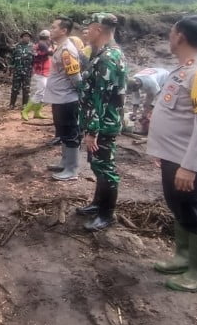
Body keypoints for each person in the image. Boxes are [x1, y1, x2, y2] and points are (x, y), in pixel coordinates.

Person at [147, 14, 197, 292]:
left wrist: (190, 167)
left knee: (195, 212)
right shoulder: (184, 69)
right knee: (178, 207)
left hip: (192, 162)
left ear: (180, 36)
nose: (170, 37)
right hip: (175, 156)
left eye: (171, 33)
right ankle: (183, 257)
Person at [76, 13, 127, 231]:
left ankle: (107, 214)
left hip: (102, 125)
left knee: (106, 168)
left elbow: (101, 97)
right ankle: (98, 203)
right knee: (98, 165)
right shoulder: (107, 53)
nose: (85, 33)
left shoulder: (108, 58)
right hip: (100, 124)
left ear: (98, 29)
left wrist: (92, 131)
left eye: (88, 29)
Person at [44, 17, 83, 180]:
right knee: (63, 133)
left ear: (63, 31)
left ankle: (72, 170)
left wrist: (80, 95)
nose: (50, 30)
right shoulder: (60, 48)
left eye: (54, 27)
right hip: (59, 98)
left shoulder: (67, 51)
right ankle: (64, 163)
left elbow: (76, 78)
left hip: (67, 99)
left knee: (71, 134)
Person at [127, 67, 170, 135]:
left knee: (154, 107)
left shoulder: (151, 82)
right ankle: (145, 128)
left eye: (136, 89)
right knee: (146, 106)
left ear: (138, 85)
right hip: (154, 79)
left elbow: (158, 97)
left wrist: (149, 110)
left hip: (165, 79)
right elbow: (136, 97)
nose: (136, 91)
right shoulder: (134, 81)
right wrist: (134, 113)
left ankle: (153, 129)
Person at [22, 29, 52, 121]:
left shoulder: (39, 44)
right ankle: (25, 111)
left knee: (42, 93)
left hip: (42, 72)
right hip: (41, 72)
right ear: (48, 38)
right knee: (40, 92)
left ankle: (37, 112)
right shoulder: (42, 45)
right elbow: (51, 52)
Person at [8, 30, 34, 110]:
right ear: (22, 37)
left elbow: (35, 60)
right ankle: (12, 104)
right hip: (17, 71)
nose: (27, 38)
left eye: (28, 36)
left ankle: (25, 105)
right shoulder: (16, 47)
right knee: (15, 88)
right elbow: (12, 59)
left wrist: (34, 70)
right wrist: (10, 69)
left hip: (27, 71)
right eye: (25, 36)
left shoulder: (33, 47)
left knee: (26, 89)